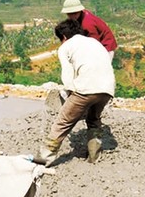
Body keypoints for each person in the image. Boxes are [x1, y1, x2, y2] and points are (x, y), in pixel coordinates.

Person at [34, 19, 116, 166]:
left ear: (64, 37)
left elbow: (67, 74)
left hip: (85, 89)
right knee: (93, 120)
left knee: (62, 123)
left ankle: (42, 160)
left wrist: (69, 94)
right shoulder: (95, 42)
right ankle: (94, 156)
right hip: (107, 89)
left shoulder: (66, 47)